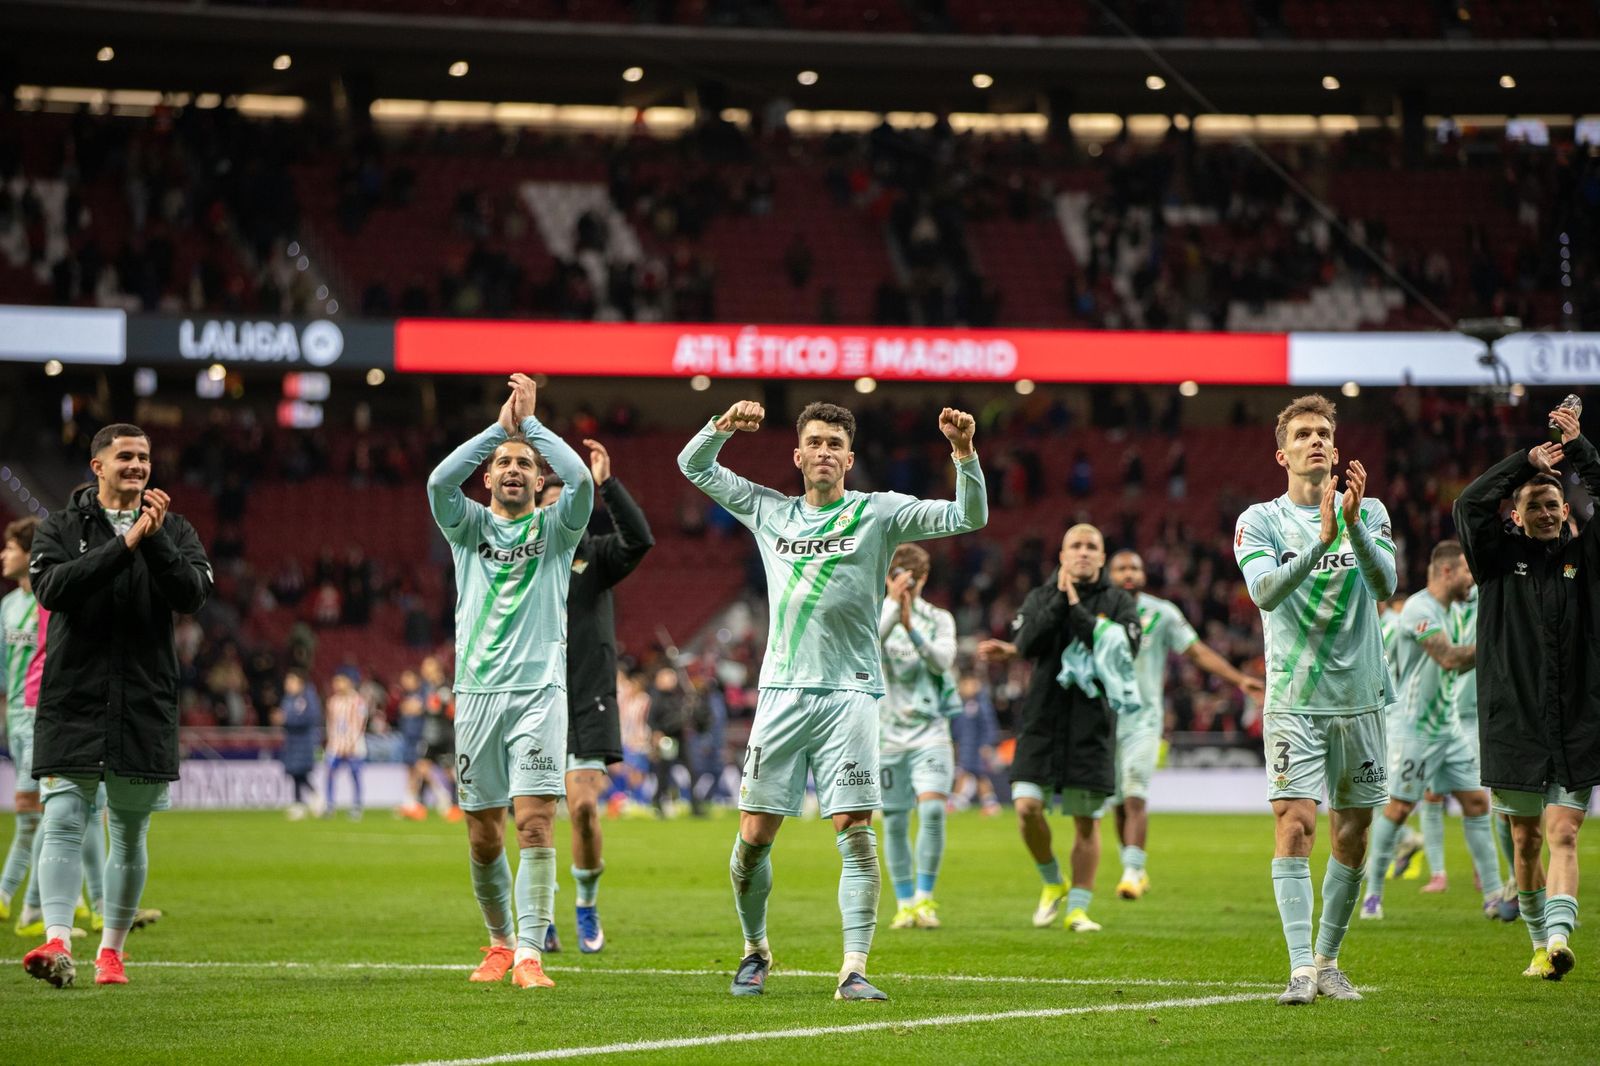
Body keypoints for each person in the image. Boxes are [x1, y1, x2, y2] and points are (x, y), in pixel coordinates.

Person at [678, 398, 985, 1001]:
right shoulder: (769, 509)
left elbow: (968, 515)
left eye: (834, 444)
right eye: (814, 442)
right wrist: (722, 427)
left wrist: (964, 453)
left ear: (849, 458)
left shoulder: (878, 513)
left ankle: (853, 969)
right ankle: (755, 950)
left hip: (851, 694)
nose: (824, 452)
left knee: (855, 829)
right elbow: (693, 466)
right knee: (753, 838)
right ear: (797, 456)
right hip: (782, 693)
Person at [23, 423, 212, 988]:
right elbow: (53, 590)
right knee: (62, 818)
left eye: (145, 457)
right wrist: (126, 544)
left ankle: (111, 952)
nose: (137, 465)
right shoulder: (60, 527)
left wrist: (152, 539)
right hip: (74, 698)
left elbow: (191, 595)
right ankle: (58, 941)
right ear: (97, 466)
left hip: (143, 700)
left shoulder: (174, 528)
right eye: (125, 456)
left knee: (129, 831)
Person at [428, 373, 593, 990]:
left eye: (525, 464)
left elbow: (581, 482)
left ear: (539, 479)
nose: (515, 470)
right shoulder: (467, 527)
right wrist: (499, 430)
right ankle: (498, 942)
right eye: (504, 463)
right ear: (489, 478)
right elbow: (438, 482)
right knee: (482, 835)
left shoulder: (556, 531)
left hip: (538, 695)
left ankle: (529, 954)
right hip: (475, 695)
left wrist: (534, 427)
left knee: (535, 825)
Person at [1232, 394, 1395, 1006]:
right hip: (1294, 697)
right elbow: (1264, 592)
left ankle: (1329, 961)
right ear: (1282, 454)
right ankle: (1300, 967)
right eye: (1302, 434)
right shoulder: (1260, 520)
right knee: (1295, 823)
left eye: (1324, 432)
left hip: (1359, 697)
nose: (1316, 441)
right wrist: (1321, 542)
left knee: (1351, 833)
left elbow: (1385, 583)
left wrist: (1351, 527)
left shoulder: (1369, 511)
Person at [1453, 402, 1598, 981]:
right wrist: (1525, 463)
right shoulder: (1494, 560)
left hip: (1577, 720)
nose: (1544, 512)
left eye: (1552, 504)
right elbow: (1469, 505)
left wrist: (1579, 448)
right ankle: (1540, 945)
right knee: (1525, 840)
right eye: (1533, 505)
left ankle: (1558, 939)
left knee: (1563, 831)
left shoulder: (1586, 560)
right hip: (1514, 721)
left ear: (1566, 511)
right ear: (1515, 515)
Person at [977, 524, 1139, 936]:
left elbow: (1123, 650)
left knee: (1087, 821)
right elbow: (1027, 644)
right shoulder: (1040, 596)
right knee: (1026, 807)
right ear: (1062, 556)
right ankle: (1052, 880)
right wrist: (1059, 600)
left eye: (1091, 546)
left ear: (1102, 557)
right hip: (1042, 720)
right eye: (1075, 546)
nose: (1083, 552)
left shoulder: (1119, 602)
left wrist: (1075, 605)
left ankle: (1078, 910)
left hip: (1092, 723)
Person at [533, 435, 653, 955]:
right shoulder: (523, 559)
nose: (558, 512)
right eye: (549, 504)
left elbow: (640, 539)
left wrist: (607, 485)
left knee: (583, 808)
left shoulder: (596, 556)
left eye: (567, 504)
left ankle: (585, 905)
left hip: (587, 698)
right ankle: (540, 910)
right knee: (536, 815)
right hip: (534, 698)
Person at [1105, 549, 1265, 900]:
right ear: (1109, 575)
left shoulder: (1161, 613)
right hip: (1104, 722)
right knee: (1117, 802)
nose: (1128, 573)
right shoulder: (1095, 611)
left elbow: (1197, 651)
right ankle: (1135, 867)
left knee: (1134, 793)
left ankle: (1131, 872)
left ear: (1144, 574)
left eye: (1135, 567)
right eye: (1121, 568)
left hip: (1144, 719)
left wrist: (1238, 679)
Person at [1359, 541, 1504, 920]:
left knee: (1476, 803)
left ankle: (1493, 895)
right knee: (1399, 808)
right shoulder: (1418, 610)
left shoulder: (1453, 610)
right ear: (1446, 571)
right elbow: (1449, 658)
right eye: (1467, 572)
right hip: (1414, 731)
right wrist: (1497, 646)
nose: (1471, 579)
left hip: (1449, 728)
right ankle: (1372, 894)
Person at [877, 543, 959, 931]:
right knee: (894, 821)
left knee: (932, 811)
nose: (905, 585)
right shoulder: (874, 614)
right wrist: (894, 610)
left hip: (931, 732)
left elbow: (942, 662)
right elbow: (864, 648)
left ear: (923, 579)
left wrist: (911, 627)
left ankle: (925, 898)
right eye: (897, 576)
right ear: (887, 576)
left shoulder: (938, 619)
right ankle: (905, 903)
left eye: (912, 578)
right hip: (885, 736)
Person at [1, 518, 41, 921]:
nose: (3, 555)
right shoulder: (8, 606)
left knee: (36, 814)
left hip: (39, 718)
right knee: (39, 815)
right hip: (14, 718)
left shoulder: (49, 602)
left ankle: (15, 898)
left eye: (10, 548)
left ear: (29, 554)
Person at [646, 665, 701, 818]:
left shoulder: (678, 696)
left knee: (692, 770)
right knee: (664, 774)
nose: (672, 680)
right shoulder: (657, 698)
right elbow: (652, 720)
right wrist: (656, 735)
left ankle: (695, 805)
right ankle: (658, 802)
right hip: (667, 739)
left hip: (680, 738)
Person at [273, 670, 322, 820]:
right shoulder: (288, 699)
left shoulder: (308, 698)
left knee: (301, 772)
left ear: (300, 683)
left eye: (291, 681)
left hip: (305, 741)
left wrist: (287, 719)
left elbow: (310, 717)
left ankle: (309, 798)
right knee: (295, 774)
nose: (288, 685)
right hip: (292, 741)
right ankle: (301, 802)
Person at [323, 671, 368, 819]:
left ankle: (357, 806)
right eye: (336, 682)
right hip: (335, 745)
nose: (337, 685)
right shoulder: (332, 702)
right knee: (330, 773)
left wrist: (351, 743)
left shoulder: (358, 701)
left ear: (349, 682)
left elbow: (361, 724)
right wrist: (331, 742)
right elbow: (330, 724)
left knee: (355, 774)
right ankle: (330, 805)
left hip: (354, 746)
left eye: (341, 681)